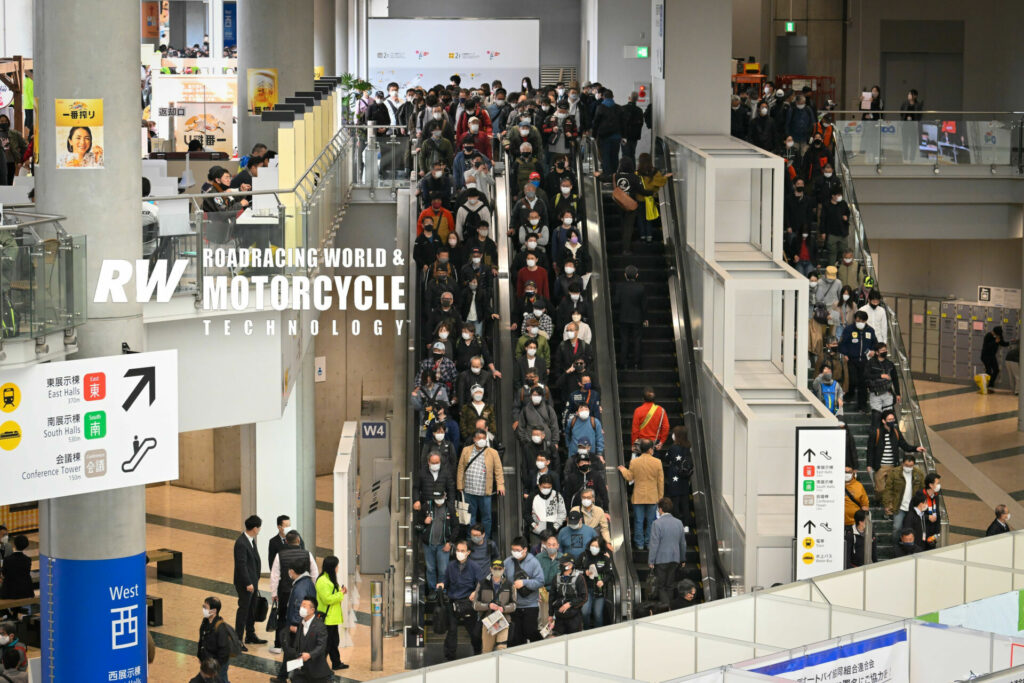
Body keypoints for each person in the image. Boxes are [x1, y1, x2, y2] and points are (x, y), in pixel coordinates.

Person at [268, 529, 318, 655]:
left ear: (286, 541)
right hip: (305, 591)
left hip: (285, 591)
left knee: (283, 617)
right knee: (303, 616)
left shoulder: (280, 555)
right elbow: (314, 572)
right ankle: (302, 643)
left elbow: (274, 576)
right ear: (298, 540)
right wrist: (312, 588)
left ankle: (279, 644)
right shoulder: (307, 554)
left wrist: (274, 594)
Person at [439, 539, 485, 660]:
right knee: (452, 631)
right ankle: (450, 657)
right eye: (458, 550)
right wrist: (442, 584)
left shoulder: (474, 567)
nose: (459, 553)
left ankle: (478, 651)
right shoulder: (451, 566)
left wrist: (476, 592)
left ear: (468, 552)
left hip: (468, 603)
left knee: (474, 633)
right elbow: (446, 580)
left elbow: (482, 584)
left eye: (462, 551)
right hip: (453, 602)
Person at [457, 428, 505, 537]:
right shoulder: (466, 450)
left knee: (486, 517)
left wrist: (500, 485)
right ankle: (471, 538)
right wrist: (460, 485)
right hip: (469, 490)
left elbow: (498, 470)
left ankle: (485, 538)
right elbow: (460, 468)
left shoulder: (493, 452)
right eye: (479, 438)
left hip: (484, 492)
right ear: (474, 439)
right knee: (470, 517)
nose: (482, 440)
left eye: (484, 438)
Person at [617, 439, 665, 550]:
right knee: (651, 522)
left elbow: (629, 477)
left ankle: (639, 543)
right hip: (653, 497)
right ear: (649, 450)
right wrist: (660, 497)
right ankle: (648, 543)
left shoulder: (634, 462)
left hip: (638, 496)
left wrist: (623, 470)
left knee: (638, 521)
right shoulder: (657, 462)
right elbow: (660, 482)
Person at [505, 537, 546, 646]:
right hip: (514, 606)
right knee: (516, 637)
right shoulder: (508, 562)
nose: (515, 552)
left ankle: (542, 649)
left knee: (531, 631)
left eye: (517, 550)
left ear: (525, 549)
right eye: (513, 550)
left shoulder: (533, 562)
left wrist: (524, 583)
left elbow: (540, 581)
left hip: (530, 605)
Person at [231, 515, 264, 649]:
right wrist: (248, 583)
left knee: (251, 609)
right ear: (255, 528)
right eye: (259, 527)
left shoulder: (250, 540)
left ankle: (250, 634)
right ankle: (238, 640)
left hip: (253, 582)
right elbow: (241, 565)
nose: (260, 529)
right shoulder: (241, 543)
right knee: (244, 610)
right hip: (246, 584)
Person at [648, 498, 687, 608]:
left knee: (661, 586)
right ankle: (670, 608)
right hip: (675, 558)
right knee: (670, 585)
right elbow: (682, 543)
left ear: (660, 509)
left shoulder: (657, 523)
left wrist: (651, 561)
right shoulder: (679, 523)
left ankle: (666, 608)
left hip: (661, 559)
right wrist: (683, 559)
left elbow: (654, 544)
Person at [610, 157, 654, 254]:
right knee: (628, 226)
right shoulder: (634, 177)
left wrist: (598, 175)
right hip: (630, 205)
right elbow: (642, 191)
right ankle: (626, 249)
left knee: (622, 224)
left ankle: (622, 244)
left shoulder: (615, 176)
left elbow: (604, 178)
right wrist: (651, 192)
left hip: (618, 203)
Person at [473, 559, 517, 652]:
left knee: (502, 648)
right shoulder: (482, 583)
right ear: (491, 569)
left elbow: (514, 605)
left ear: (503, 569)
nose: (497, 570)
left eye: (499, 568)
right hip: (488, 621)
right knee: (486, 651)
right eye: (495, 568)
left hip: (503, 621)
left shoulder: (509, 584)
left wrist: (503, 608)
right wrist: (488, 606)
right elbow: (475, 604)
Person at [285, 597, 332, 682]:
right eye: (301, 605)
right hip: (301, 670)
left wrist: (310, 655)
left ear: (312, 610)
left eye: (304, 606)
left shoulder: (319, 626)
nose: (301, 608)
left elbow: (321, 646)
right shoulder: (301, 622)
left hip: (316, 671)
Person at [314, 556, 348, 671]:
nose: (338, 568)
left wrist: (340, 591)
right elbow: (327, 599)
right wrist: (341, 594)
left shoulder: (329, 578)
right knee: (327, 645)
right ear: (332, 567)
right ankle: (318, 666)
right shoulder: (322, 581)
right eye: (337, 566)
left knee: (333, 643)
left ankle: (336, 663)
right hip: (327, 618)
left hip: (333, 617)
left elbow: (332, 594)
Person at [839, 310, 876, 411]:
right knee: (853, 379)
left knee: (863, 384)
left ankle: (862, 406)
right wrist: (845, 354)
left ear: (865, 320)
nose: (860, 322)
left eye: (862, 320)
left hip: (865, 361)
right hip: (851, 359)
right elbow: (843, 344)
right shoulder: (849, 329)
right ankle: (850, 394)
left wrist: (873, 350)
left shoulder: (870, 330)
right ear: (855, 319)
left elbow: (874, 343)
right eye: (858, 320)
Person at [882, 454, 926, 535]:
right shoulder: (894, 473)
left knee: (912, 529)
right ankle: (896, 546)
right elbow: (888, 490)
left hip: (913, 507)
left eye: (911, 466)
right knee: (897, 528)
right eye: (906, 465)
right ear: (902, 464)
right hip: (899, 506)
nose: (908, 467)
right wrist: (887, 504)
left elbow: (922, 490)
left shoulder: (919, 474)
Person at [613, 265, 647, 369]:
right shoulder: (641, 287)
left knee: (624, 340)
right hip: (637, 318)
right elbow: (644, 305)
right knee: (637, 340)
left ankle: (623, 363)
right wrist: (645, 318)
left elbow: (616, 302)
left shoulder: (620, 287)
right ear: (637, 275)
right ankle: (637, 363)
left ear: (625, 275)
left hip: (623, 317)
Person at [661, 426, 694, 530]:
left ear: (677, 436)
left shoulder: (673, 448)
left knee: (675, 502)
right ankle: (686, 525)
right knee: (685, 503)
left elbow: (666, 459)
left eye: (674, 433)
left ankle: (676, 525)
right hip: (684, 478)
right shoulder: (688, 447)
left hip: (674, 477)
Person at [547, 554, 588, 636]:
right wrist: (550, 614)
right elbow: (552, 597)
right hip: (559, 618)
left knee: (574, 642)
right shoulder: (556, 578)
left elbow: (584, 597)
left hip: (574, 618)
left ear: (570, 565)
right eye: (560, 563)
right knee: (558, 642)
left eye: (563, 563)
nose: (560, 565)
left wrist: (570, 604)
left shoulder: (579, 578)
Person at [580, 536, 614, 629]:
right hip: (586, 589)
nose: (594, 548)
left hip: (599, 590)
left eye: (597, 546)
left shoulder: (605, 558)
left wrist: (603, 581)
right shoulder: (584, 556)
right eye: (592, 545)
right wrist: (585, 572)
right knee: (585, 612)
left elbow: (610, 574)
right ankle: (586, 630)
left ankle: (598, 633)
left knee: (598, 614)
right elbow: (576, 569)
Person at [197, 596, 233, 682]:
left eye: (206, 607)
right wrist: (200, 656)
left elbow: (224, 651)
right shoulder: (205, 622)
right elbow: (202, 639)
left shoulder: (221, 628)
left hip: (218, 664)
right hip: (208, 662)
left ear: (214, 611)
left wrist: (215, 665)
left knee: (221, 680)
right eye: (203, 606)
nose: (203, 609)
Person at [591, 88, 624, 174]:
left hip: (603, 137)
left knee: (605, 156)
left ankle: (607, 175)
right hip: (616, 136)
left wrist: (594, 135)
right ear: (613, 97)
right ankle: (614, 174)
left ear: (603, 97)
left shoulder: (600, 108)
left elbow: (596, 123)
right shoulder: (619, 108)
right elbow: (623, 123)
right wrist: (624, 136)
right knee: (614, 156)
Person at [0, 536, 31, 605]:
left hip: (10, 591)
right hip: (25, 590)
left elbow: (4, 573)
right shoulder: (28, 559)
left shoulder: (8, 559)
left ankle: (7, 613)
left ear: (14, 544)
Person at [0, 114, 29, 178]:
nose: (4, 123)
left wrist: (21, 159)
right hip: (1, 162)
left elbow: (24, 146)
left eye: (5, 121)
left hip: (10, 162)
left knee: (10, 181)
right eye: (1, 121)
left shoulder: (15, 134)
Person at [621, 91, 645, 163]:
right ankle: (632, 170)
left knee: (625, 154)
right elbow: (641, 123)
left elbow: (620, 122)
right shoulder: (639, 110)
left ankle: (625, 171)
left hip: (624, 136)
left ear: (629, 98)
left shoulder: (622, 108)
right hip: (634, 136)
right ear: (637, 99)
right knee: (632, 153)